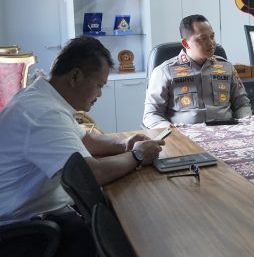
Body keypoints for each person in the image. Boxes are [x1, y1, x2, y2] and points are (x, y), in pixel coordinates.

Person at [0, 36, 164, 256]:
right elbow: (89, 175)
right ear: (75, 76)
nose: (99, 94)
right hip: (25, 229)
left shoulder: (43, 98)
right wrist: (136, 156)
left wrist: (124, 143)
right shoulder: (42, 113)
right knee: (126, 233)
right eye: (99, 85)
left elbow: (84, 140)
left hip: (41, 213)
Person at [143, 14, 253, 128]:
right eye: (203, 39)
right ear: (186, 43)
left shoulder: (227, 67)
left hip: (227, 132)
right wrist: (170, 130)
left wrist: (245, 123)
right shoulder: (164, 72)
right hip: (185, 135)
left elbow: (242, 104)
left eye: (212, 37)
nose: (211, 43)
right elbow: (152, 114)